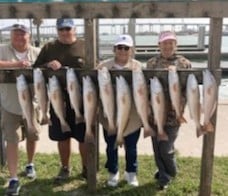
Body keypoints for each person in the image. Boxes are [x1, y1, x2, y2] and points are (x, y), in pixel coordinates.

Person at [34, 18, 87, 183]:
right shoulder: (49, 47)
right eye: (61, 29)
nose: (64, 32)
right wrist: (48, 64)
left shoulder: (86, 45)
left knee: (83, 136)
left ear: (74, 29)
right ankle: (65, 167)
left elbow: (96, 67)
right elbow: (35, 68)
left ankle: (86, 167)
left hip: (81, 98)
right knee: (62, 136)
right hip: (57, 97)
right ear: (57, 31)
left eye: (67, 29)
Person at [146, 30, 191, 190]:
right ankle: (164, 174)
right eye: (164, 42)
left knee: (166, 147)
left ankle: (170, 172)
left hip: (173, 115)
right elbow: (146, 87)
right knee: (157, 147)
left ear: (175, 45)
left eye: (171, 42)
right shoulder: (151, 63)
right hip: (154, 113)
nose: (167, 46)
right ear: (159, 45)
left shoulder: (184, 63)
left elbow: (187, 89)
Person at [0, 23, 40, 195]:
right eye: (16, 34)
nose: (19, 37)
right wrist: (15, 64)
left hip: (34, 104)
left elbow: (47, 67)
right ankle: (14, 177)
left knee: (33, 135)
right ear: (11, 36)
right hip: (9, 104)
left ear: (28, 36)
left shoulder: (37, 52)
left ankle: (30, 163)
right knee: (12, 140)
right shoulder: (2, 49)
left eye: (22, 34)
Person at [97, 34, 142, 187]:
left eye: (126, 48)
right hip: (109, 115)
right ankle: (113, 171)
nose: (123, 51)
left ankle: (131, 172)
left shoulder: (138, 67)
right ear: (114, 49)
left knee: (131, 147)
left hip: (132, 116)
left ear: (132, 50)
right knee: (111, 146)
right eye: (119, 47)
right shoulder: (103, 66)